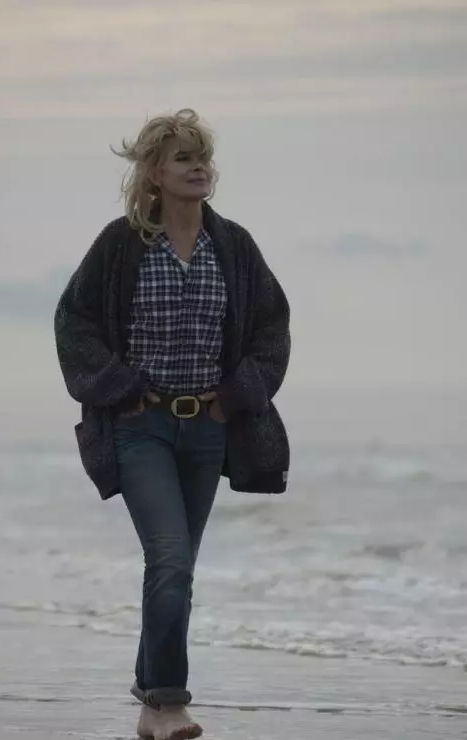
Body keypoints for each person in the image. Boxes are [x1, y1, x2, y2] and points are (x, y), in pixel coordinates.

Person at [54, 109, 291, 740]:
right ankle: (169, 702)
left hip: (208, 430)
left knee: (176, 568)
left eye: (202, 156)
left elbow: (272, 327)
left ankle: (149, 704)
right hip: (142, 428)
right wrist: (121, 389)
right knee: (170, 558)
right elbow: (74, 322)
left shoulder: (233, 246)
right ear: (154, 173)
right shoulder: (121, 244)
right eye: (183, 157)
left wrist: (234, 398)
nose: (198, 167)